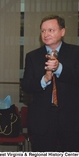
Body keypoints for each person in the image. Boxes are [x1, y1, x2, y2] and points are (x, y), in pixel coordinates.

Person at [21, 14, 79, 152]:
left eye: (51, 30)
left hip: (70, 119)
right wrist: (45, 79)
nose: (46, 34)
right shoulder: (32, 56)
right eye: (43, 31)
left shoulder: (75, 53)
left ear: (62, 31)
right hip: (42, 120)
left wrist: (59, 68)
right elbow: (26, 86)